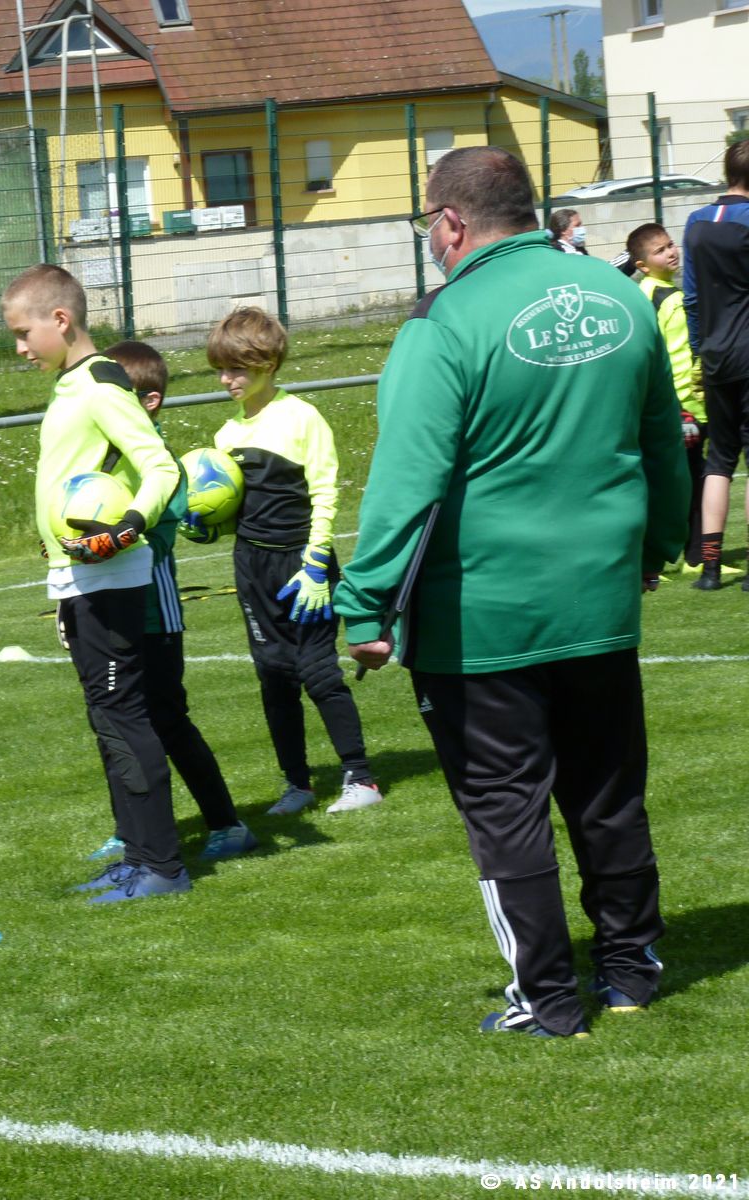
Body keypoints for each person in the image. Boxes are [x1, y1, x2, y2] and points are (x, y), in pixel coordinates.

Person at [337, 147, 690, 1038]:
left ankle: (548, 1000)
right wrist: (658, 545)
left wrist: (365, 604)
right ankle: (631, 972)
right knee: (608, 792)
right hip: (600, 599)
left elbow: (406, 478)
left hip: (482, 616)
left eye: (427, 223)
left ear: (451, 222)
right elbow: (662, 440)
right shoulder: (619, 296)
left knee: (506, 810)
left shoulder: (444, 320)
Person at [2, 264, 189, 904]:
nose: (20, 348)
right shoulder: (72, 385)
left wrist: (129, 526)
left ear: (60, 320)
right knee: (106, 717)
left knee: (124, 716)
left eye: (23, 333)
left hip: (109, 575)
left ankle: (163, 866)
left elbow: (160, 468)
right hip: (77, 575)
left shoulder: (103, 383)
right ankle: (135, 857)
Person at [82, 338, 258, 863]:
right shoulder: (104, 456)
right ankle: (129, 829)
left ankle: (227, 824)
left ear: (149, 401)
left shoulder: (159, 463)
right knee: (111, 720)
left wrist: (114, 539)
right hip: (107, 607)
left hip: (153, 613)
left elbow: (157, 540)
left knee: (166, 720)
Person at [206, 308, 381, 817]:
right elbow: (231, 509)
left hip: (304, 566)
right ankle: (297, 784)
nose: (226, 380)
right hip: (252, 566)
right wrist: (207, 523)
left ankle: (361, 778)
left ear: (267, 363)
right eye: (221, 369)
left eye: (236, 369)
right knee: (274, 675)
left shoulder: (302, 417)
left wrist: (317, 563)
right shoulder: (225, 436)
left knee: (318, 672)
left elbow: (325, 492)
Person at [627, 222, 727, 576]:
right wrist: (680, 406)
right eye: (660, 250)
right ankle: (682, 557)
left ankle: (688, 555)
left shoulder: (649, 293)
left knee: (687, 477)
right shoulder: (662, 299)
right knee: (688, 480)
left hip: (678, 403)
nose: (671, 252)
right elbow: (666, 356)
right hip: (681, 406)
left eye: (670, 245)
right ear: (642, 264)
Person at [681, 139, 749, 591]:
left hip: (714, 355)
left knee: (719, 459)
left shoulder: (696, 221)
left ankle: (709, 569)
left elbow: (691, 298)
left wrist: (698, 351)